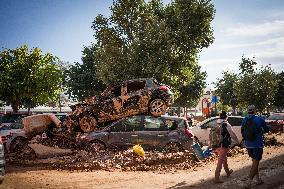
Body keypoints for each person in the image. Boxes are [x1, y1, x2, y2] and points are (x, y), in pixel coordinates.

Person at [242, 105, 269, 188]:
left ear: (248, 111)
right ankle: (248, 182)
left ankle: (258, 180)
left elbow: (242, 130)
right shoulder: (259, 119)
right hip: (257, 144)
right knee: (256, 162)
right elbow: (267, 130)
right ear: (255, 111)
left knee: (254, 162)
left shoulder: (244, 120)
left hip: (248, 144)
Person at [212, 111, 239, 184]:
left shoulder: (216, 123)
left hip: (216, 145)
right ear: (226, 117)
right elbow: (232, 134)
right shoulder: (226, 124)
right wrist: (237, 141)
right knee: (220, 161)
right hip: (223, 145)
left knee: (224, 159)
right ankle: (216, 178)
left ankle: (228, 172)